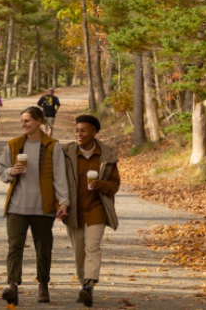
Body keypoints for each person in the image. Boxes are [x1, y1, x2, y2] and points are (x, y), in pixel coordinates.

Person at [0, 107, 69, 305]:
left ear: (39, 121)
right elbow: (1, 168)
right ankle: (12, 286)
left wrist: (64, 202)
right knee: (14, 247)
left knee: (43, 248)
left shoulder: (52, 146)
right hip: (16, 207)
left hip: (43, 206)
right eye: (22, 120)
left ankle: (43, 284)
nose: (23, 124)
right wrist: (12, 171)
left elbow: (60, 177)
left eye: (27, 120)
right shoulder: (14, 145)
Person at [59, 114, 120, 307]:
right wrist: (58, 204)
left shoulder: (107, 154)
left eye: (83, 130)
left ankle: (89, 285)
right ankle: (84, 285)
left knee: (92, 247)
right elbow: (56, 180)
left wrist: (101, 184)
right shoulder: (65, 152)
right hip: (74, 210)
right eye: (76, 130)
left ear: (94, 132)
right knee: (79, 251)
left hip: (97, 208)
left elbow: (115, 184)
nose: (78, 134)